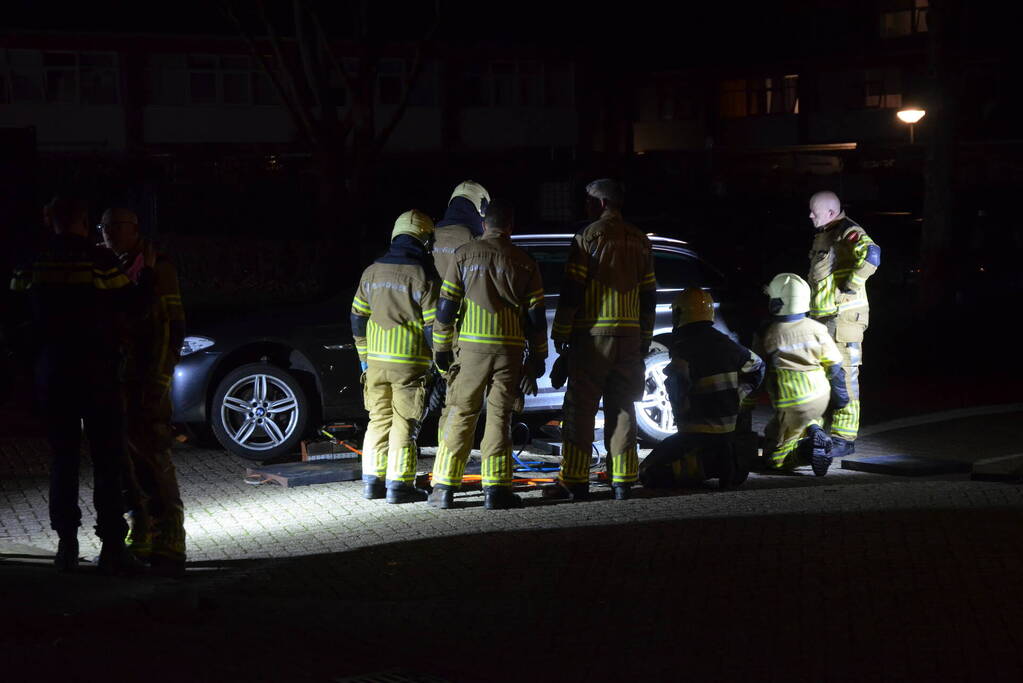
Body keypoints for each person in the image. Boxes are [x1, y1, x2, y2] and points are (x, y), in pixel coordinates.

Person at [9, 197, 141, 573]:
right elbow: (130, 305)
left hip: (53, 374)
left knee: (62, 460)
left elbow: (14, 319)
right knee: (107, 460)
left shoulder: (31, 263)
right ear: (85, 222)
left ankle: (67, 545)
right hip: (98, 373)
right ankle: (114, 546)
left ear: (50, 220)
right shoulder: (98, 261)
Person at [427, 201, 547, 510]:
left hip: (472, 350)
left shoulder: (464, 255)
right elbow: (536, 316)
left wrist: (441, 348)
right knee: (499, 418)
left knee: (460, 413)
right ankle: (496, 491)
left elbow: (446, 306)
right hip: (509, 350)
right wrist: (538, 358)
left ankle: (444, 488)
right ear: (511, 227)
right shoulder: (524, 261)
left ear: (484, 225)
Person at [544, 179, 656, 501]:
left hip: (593, 338)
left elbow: (573, 290)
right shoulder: (641, 241)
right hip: (630, 337)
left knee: (581, 409)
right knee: (623, 408)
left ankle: (575, 480)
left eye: (590, 201)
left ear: (603, 204)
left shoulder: (588, 237)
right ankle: (623, 481)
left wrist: (561, 333)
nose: (586, 206)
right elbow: (648, 294)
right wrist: (644, 336)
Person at [100, 207, 187, 574]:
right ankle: (143, 532)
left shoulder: (158, 267)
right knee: (129, 461)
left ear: (131, 229)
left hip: (147, 378)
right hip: (122, 378)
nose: (103, 234)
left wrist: (160, 379)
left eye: (109, 228)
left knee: (154, 456)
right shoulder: (117, 264)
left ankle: (170, 540)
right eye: (103, 228)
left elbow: (170, 327)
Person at [351, 210, 439, 503]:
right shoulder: (422, 274)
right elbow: (432, 327)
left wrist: (364, 356)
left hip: (375, 362)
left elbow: (357, 318)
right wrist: (440, 360)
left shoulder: (371, 271)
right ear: (424, 239)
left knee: (378, 420)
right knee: (405, 423)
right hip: (409, 362)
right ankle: (399, 486)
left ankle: (372, 483)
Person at [639, 289, 764, 489]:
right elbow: (758, 366)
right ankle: (728, 464)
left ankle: (710, 465)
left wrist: (684, 406)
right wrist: (739, 395)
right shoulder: (726, 342)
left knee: (648, 472)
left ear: (680, 314)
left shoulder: (683, 346)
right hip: (727, 432)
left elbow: (677, 386)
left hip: (694, 433)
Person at [806, 191, 880, 457]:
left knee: (845, 378)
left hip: (844, 319)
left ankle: (843, 438)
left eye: (814, 211)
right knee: (824, 377)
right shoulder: (826, 232)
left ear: (829, 212)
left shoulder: (848, 231)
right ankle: (825, 432)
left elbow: (872, 255)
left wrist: (852, 285)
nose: (810, 216)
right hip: (824, 320)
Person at [753, 273, 849, 476]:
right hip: (819, 395)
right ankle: (814, 428)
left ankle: (805, 452)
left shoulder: (768, 332)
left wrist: (746, 402)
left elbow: (756, 368)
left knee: (774, 458)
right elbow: (835, 367)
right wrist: (841, 399)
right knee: (794, 424)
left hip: (790, 398)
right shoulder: (818, 328)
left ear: (777, 302)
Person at [420, 181, 492, 437]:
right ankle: (450, 463)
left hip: (432, 328)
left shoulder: (431, 236)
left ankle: (442, 457)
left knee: (441, 400)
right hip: (466, 331)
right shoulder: (476, 238)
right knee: (461, 404)